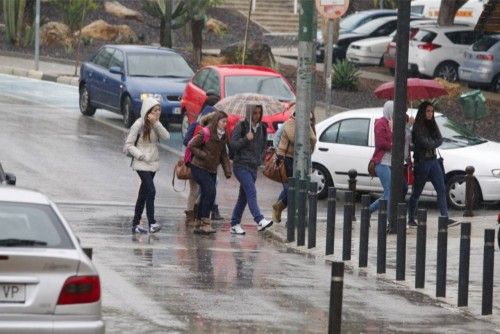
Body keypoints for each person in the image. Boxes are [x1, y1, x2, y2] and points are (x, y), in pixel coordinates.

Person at [125, 97, 170, 234]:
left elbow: (166, 137)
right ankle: (152, 223)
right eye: (155, 110)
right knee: (151, 190)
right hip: (141, 162)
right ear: (148, 111)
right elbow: (128, 145)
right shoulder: (138, 124)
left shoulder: (156, 124)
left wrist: (156, 124)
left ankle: (135, 223)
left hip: (153, 162)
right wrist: (140, 155)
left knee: (143, 194)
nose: (158, 113)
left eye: (159, 110)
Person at [228, 104, 272, 235]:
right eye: (254, 113)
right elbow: (233, 145)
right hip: (241, 165)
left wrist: (262, 156)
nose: (257, 116)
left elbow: (263, 145)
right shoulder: (241, 126)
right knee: (251, 191)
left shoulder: (262, 129)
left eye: (259, 113)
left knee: (244, 196)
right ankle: (259, 219)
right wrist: (245, 139)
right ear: (249, 113)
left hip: (253, 167)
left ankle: (234, 223)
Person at [408, 101, 454, 226]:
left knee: (441, 188)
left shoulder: (433, 124)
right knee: (417, 192)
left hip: (433, 160)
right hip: (422, 162)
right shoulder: (417, 126)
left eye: (431, 111)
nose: (430, 113)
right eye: (428, 111)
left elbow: (440, 139)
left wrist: (431, 143)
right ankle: (411, 217)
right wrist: (431, 143)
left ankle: (445, 217)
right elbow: (424, 142)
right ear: (423, 112)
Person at [188, 111, 232, 234]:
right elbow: (191, 145)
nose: (225, 124)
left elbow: (223, 154)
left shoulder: (222, 135)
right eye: (223, 121)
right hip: (198, 166)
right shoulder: (206, 132)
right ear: (216, 121)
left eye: (226, 122)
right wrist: (203, 155)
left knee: (209, 194)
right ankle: (205, 222)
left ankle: (199, 220)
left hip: (211, 169)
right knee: (210, 190)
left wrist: (227, 170)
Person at [183, 93, 222, 226]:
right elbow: (186, 141)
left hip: (207, 165)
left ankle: (197, 215)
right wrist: (200, 150)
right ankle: (191, 217)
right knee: (195, 189)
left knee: (205, 189)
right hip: (194, 163)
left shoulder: (215, 130)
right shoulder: (196, 126)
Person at [271, 110, 317, 224]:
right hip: (286, 159)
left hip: (299, 160)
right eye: (308, 119)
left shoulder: (307, 126)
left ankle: (279, 206)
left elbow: (313, 141)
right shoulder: (290, 123)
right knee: (291, 189)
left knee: (295, 188)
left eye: (311, 120)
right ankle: (287, 216)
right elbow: (296, 140)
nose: (310, 121)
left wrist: (308, 126)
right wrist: (278, 151)